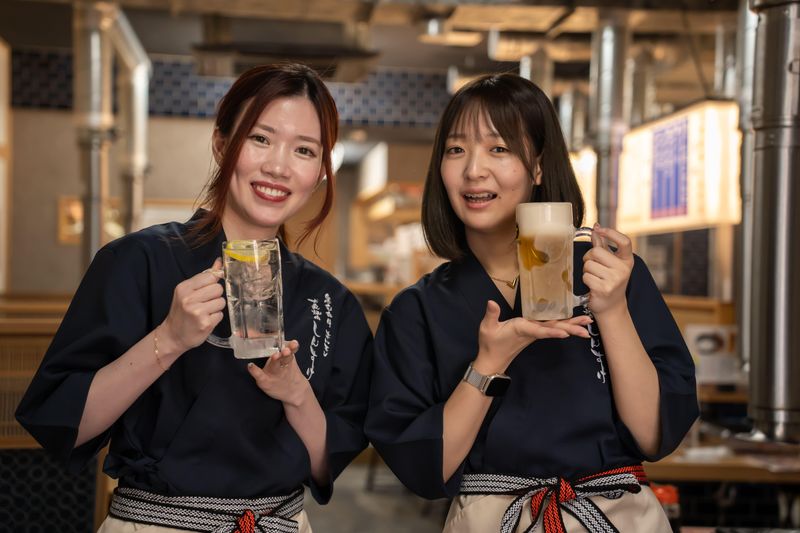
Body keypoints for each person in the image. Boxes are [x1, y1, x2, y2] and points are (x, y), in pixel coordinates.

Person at [16, 63, 373, 533]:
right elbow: (64, 425)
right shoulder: (137, 261)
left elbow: (327, 466)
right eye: (260, 138)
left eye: (304, 150)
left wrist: (296, 394)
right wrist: (168, 340)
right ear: (222, 143)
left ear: (321, 172)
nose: (279, 166)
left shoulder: (330, 300)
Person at [364, 73, 698, 532]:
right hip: (492, 520)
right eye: (456, 149)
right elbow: (425, 468)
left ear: (538, 167)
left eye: (498, 148)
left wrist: (613, 310)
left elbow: (654, 434)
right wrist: (487, 364)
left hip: (612, 516)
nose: (473, 169)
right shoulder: (416, 310)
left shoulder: (607, 274)